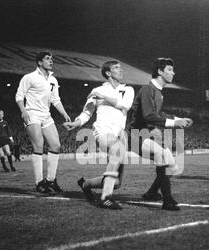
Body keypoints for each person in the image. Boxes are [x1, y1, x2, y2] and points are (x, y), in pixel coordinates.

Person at [64, 61, 134, 209]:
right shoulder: (97, 90)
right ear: (108, 73)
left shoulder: (128, 90)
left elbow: (125, 105)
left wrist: (102, 96)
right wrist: (76, 123)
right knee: (117, 150)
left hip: (120, 135)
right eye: (116, 68)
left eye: (120, 67)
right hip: (102, 131)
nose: (121, 70)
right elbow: (87, 113)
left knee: (116, 183)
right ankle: (105, 198)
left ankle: (86, 183)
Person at [127, 57, 192, 211]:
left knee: (173, 167)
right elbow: (150, 116)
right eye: (169, 70)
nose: (173, 73)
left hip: (146, 135)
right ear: (159, 71)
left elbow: (159, 113)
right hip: (137, 135)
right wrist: (175, 123)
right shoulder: (147, 90)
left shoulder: (157, 92)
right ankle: (168, 201)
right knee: (163, 158)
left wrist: (178, 118)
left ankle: (151, 193)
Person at [15, 51, 71, 194]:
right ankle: (39, 183)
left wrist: (64, 113)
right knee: (38, 145)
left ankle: (50, 180)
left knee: (56, 145)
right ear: (40, 62)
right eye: (47, 59)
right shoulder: (29, 77)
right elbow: (19, 95)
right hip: (32, 113)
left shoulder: (53, 80)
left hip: (46, 115)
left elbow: (55, 99)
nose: (51, 61)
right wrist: (23, 110)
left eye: (52, 59)